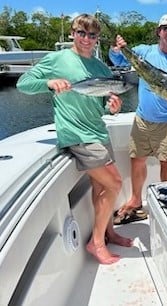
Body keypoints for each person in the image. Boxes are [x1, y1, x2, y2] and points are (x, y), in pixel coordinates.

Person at [16, 14, 133, 265]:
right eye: (81, 33)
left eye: (92, 35)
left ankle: (109, 231)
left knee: (101, 188)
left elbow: (102, 104)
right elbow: (24, 83)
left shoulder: (101, 68)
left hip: (99, 132)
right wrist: (49, 82)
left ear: (97, 38)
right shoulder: (57, 59)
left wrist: (112, 105)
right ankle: (96, 243)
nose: (87, 39)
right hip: (76, 134)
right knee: (114, 183)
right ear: (72, 33)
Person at [108, 14, 167, 224]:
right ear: (159, 32)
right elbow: (117, 60)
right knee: (137, 160)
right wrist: (115, 49)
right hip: (143, 119)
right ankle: (136, 201)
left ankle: (166, 200)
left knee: (166, 162)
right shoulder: (143, 51)